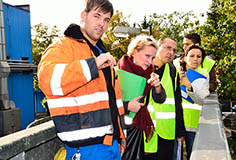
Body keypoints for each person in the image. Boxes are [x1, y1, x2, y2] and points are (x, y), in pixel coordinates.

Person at [37, 0, 126, 159]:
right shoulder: (62, 47)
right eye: (97, 16)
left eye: (106, 20)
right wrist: (92, 65)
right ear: (83, 16)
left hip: (110, 144)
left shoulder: (100, 52)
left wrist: (119, 137)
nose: (102, 24)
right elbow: (47, 80)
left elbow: (113, 102)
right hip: (84, 148)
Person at [117, 35, 166, 160]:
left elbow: (160, 99)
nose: (150, 62)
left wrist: (158, 87)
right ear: (134, 52)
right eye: (147, 56)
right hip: (118, 132)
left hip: (138, 131)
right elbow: (106, 103)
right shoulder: (116, 72)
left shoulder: (151, 75)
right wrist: (127, 106)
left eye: (153, 57)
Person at [143, 37, 186, 160]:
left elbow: (178, 102)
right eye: (168, 48)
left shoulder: (172, 71)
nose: (171, 53)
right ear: (157, 47)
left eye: (174, 50)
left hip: (166, 132)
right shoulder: (143, 66)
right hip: (145, 132)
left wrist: (180, 131)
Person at [174, 45, 210, 160]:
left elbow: (202, 99)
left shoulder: (204, 74)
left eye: (199, 56)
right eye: (192, 56)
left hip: (192, 125)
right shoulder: (175, 71)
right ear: (185, 57)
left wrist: (188, 85)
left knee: (192, 156)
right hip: (175, 123)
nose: (195, 59)